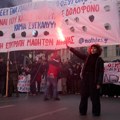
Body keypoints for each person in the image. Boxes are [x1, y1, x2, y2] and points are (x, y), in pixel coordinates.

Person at [67, 44, 104, 116]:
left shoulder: (99, 60)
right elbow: (79, 54)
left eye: (94, 48)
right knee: (83, 95)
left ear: (97, 50)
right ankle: (82, 111)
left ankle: (96, 112)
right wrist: (71, 49)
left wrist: (99, 83)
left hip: (94, 79)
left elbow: (101, 72)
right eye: (92, 48)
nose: (93, 50)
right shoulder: (87, 57)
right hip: (85, 79)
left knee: (94, 97)